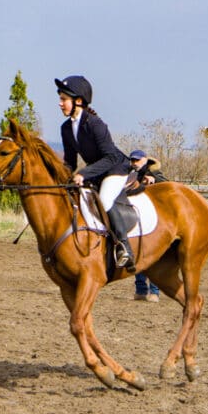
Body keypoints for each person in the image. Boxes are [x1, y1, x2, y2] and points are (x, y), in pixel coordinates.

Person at [57, 76, 135, 272]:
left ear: (79, 101)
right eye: (60, 99)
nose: (60, 103)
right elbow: (70, 162)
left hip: (116, 168)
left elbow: (110, 157)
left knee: (105, 199)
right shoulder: (66, 128)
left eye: (64, 99)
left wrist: (83, 173)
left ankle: (124, 246)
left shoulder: (95, 124)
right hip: (96, 171)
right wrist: (60, 178)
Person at [128, 149, 167, 301]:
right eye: (132, 160)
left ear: (145, 160)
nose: (134, 163)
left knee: (153, 256)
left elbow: (166, 187)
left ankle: (154, 292)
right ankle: (141, 290)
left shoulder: (155, 173)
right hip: (139, 217)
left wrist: (153, 181)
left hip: (154, 219)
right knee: (138, 254)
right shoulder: (131, 174)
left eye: (137, 160)